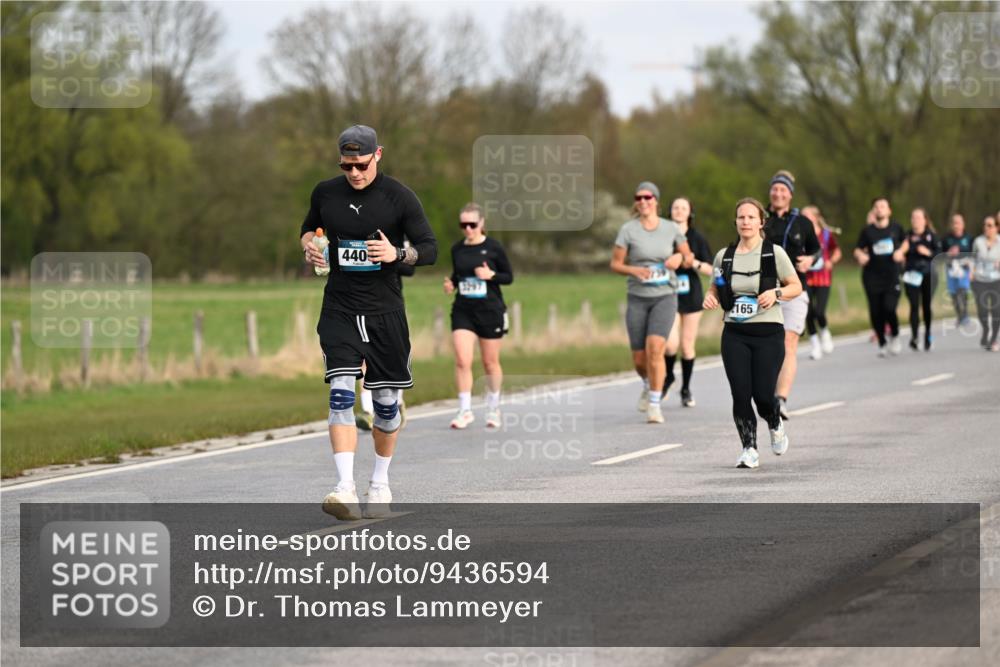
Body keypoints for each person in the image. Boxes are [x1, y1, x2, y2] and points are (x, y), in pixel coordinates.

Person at [301, 124, 437, 520]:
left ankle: (380, 483)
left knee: (386, 406)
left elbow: (429, 249)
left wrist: (397, 253)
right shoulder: (325, 192)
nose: (354, 173)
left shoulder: (399, 197)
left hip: (385, 313)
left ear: (378, 155)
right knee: (341, 392)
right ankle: (345, 489)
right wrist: (310, 246)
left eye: (361, 164)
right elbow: (308, 229)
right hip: (339, 307)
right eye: (347, 166)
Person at [703, 197, 803, 469]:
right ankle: (749, 448)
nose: (745, 222)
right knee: (740, 393)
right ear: (735, 222)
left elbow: (796, 286)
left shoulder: (774, 253)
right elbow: (716, 286)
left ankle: (774, 421)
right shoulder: (725, 256)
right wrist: (710, 297)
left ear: (761, 222)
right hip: (735, 333)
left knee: (762, 396)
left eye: (750, 217)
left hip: (769, 333)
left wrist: (776, 292)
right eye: (741, 217)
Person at [611, 182, 692, 424]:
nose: (643, 201)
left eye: (648, 197)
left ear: (656, 200)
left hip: (665, 296)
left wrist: (679, 256)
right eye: (639, 197)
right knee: (638, 358)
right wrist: (633, 270)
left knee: (655, 348)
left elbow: (688, 257)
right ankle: (647, 384)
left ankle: (655, 404)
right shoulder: (628, 230)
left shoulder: (670, 229)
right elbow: (615, 264)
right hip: (637, 298)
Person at [444, 203, 513, 429]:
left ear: (482, 223)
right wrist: (451, 284)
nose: (468, 229)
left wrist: (490, 274)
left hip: (490, 311)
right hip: (464, 310)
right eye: (463, 225)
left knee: (489, 362)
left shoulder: (493, 247)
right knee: (463, 360)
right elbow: (458, 275)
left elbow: (508, 277)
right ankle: (465, 409)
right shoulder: (457, 249)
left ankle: (493, 407)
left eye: (472, 224)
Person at [763, 170, 820, 419]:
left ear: (790, 195)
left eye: (782, 190)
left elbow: (817, 252)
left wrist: (810, 260)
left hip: (795, 290)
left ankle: (780, 399)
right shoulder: (759, 219)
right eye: (775, 189)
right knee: (766, 347)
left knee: (788, 344)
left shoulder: (802, 223)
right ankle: (765, 392)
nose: (778, 193)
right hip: (764, 291)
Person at [663, 197, 713, 407]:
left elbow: (711, 269)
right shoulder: (663, 235)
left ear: (690, 212)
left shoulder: (697, 237)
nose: (679, 211)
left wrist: (694, 263)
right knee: (670, 343)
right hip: (668, 294)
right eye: (675, 207)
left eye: (683, 208)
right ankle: (668, 376)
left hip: (691, 295)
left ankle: (686, 389)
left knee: (687, 345)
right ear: (670, 211)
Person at [854, 197, 908, 357]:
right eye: (876, 207)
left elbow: (906, 242)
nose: (879, 209)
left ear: (889, 210)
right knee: (876, 311)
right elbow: (857, 249)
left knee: (889, 308)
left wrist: (901, 251)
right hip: (872, 276)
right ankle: (882, 343)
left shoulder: (896, 227)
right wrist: (860, 256)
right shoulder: (867, 231)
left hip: (892, 275)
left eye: (883, 206)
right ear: (873, 211)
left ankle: (895, 335)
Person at [801, 205, 841, 360]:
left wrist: (831, 261)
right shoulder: (800, 235)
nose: (803, 219)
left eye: (807, 216)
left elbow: (836, 251)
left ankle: (824, 331)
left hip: (823, 277)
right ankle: (815, 344)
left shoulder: (826, 234)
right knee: (808, 312)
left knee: (819, 311)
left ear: (816, 218)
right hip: (806, 278)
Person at [903, 208, 941, 351]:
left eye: (918, 218)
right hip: (912, 275)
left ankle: (928, 335)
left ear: (925, 220)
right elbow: (900, 252)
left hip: (928, 275)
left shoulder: (931, 236)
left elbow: (939, 255)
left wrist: (928, 252)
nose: (915, 220)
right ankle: (914, 336)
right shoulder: (907, 236)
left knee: (926, 306)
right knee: (913, 305)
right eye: (913, 218)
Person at [972, 215, 1000, 351]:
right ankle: (986, 329)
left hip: (996, 280)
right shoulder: (978, 242)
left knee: (996, 310)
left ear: (996, 228)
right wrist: (971, 272)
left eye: (990, 225)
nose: (986, 228)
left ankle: (994, 338)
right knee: (982, 310)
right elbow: (972, 258)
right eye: (985, 225)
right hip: (980, 279)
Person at [942, 213, 973, 327]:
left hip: (964, 268)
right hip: (951, 269)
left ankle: (965, 315)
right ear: (951, 225)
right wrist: (949, 253)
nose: (956, 225)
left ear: (963, 224)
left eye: (958, 223)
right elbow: (940, 254)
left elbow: (974, 253)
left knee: (962, 290)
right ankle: (959, 315)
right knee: (953, 293)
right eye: (954, 223)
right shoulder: (946, 239)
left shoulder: (969, 238)